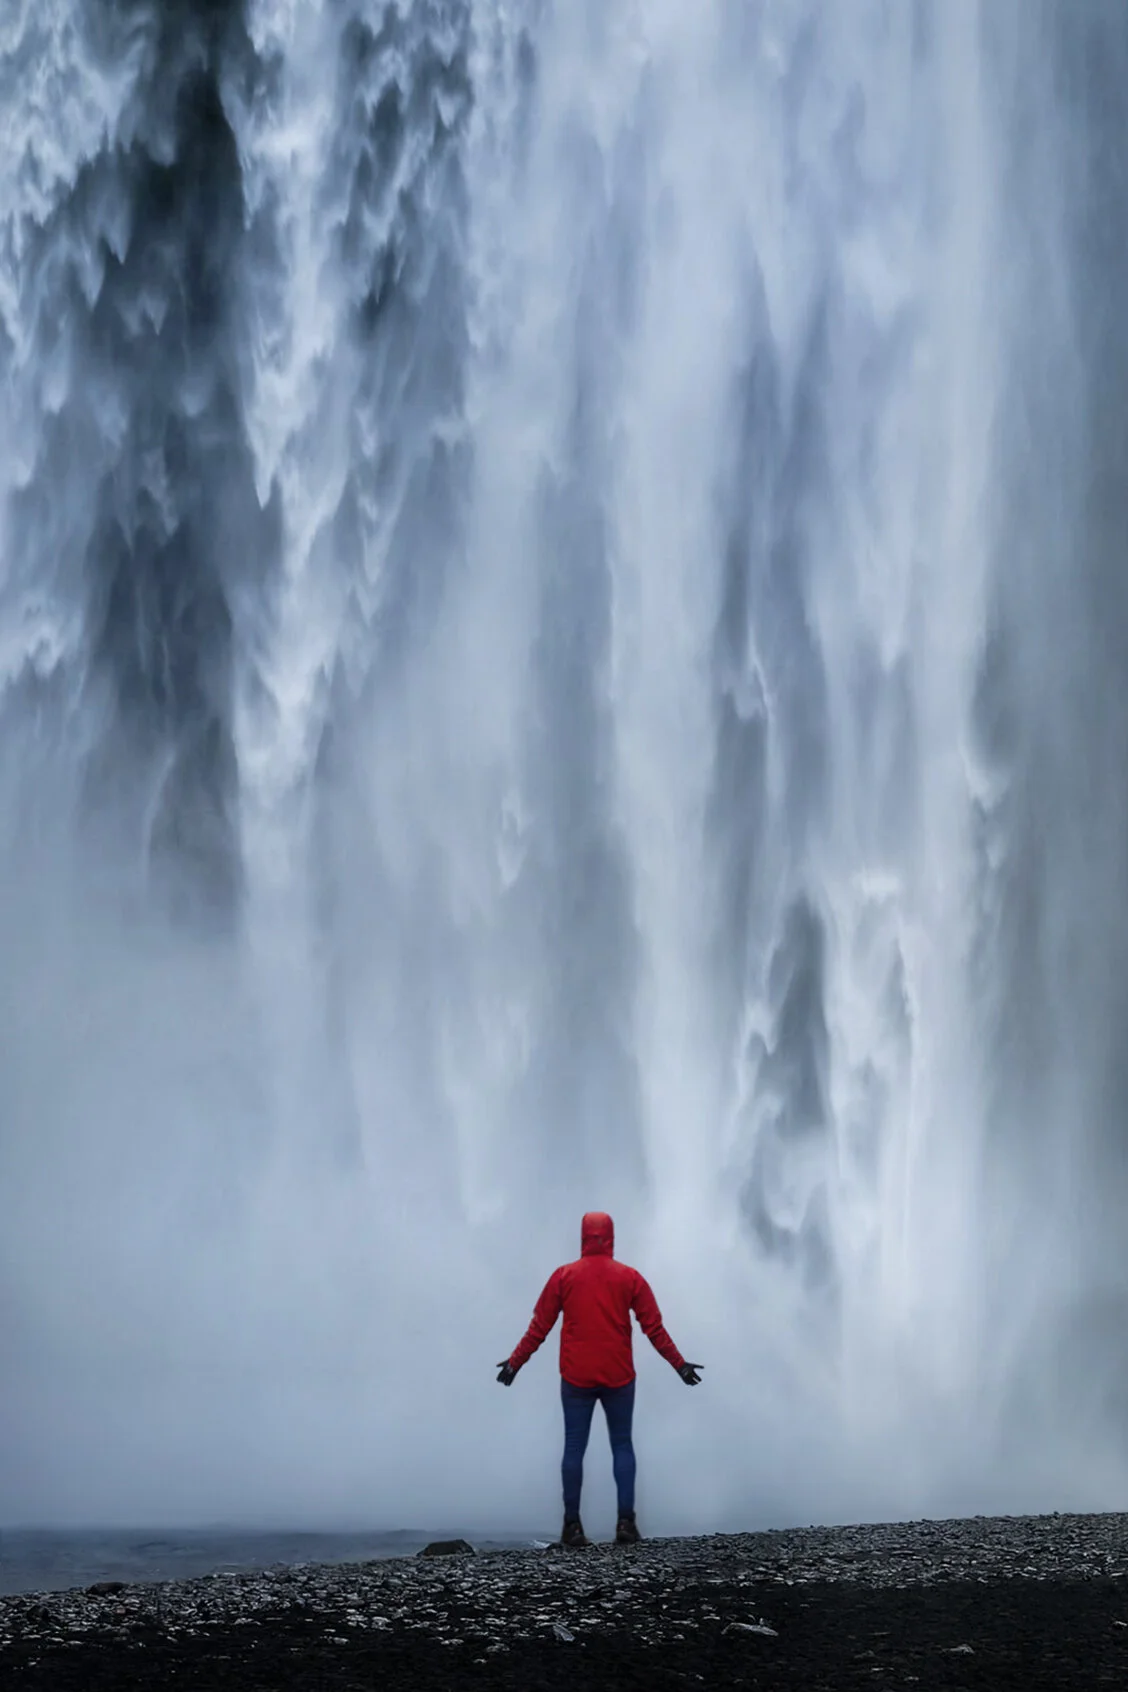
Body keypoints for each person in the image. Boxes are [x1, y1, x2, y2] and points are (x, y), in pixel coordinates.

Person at [496, 1211, 702, 1547]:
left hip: (576, 1377)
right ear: (611, 1237)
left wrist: (515, 1363)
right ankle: (626, 1523)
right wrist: (679, 1366)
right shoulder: (629, 1278)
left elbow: (540, 1327)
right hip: (619, 1376)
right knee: (622, 1445)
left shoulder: (564, 1277)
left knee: (574, 1447)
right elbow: (653, 1327)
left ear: (583, 1237)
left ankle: (572, 1526)